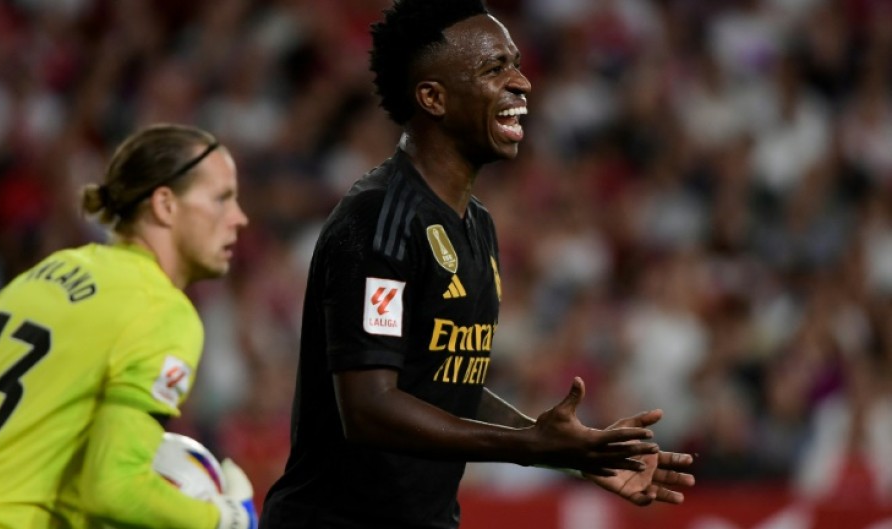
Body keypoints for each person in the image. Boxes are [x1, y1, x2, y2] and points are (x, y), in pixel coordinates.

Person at [261, 1, 695, 528]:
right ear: (433, 97)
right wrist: (526, 447)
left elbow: (443, 386)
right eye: (495, 69)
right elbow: (370, 407)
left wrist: (571, 452)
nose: (522, 83)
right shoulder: (378, 218)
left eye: (515, 63)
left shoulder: (477, 224)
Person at [0, 124, 257, 529]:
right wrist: (225, 518)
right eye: (221, 199)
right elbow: (114, 489)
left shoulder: (49, 270)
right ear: (165, 205)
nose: (240, 218)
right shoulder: (161, 310)